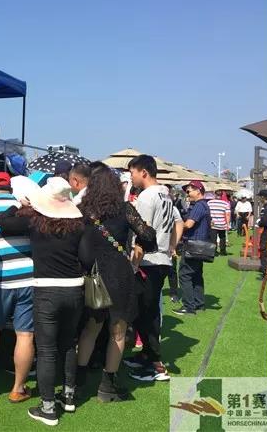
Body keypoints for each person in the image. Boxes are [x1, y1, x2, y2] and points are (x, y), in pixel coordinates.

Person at [0, 177, 85, 425]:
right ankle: (68, 396)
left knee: (46, 349)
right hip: (74, 288)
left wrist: (19, 204)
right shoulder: (79, 225)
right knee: (69, 344)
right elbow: (87, 256)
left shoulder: (35, 221)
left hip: (46, 289)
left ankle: (48, 408)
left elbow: (4, 223)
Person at [76, 167, 156, 403]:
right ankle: (107, 386)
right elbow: (148, 235)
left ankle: (77, 381)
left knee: (91, 328)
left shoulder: (82, 211)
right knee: (118, 331)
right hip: (120, 274)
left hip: (94, 274)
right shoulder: (124, 209)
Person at [124, 155, 182, 382]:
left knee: (146, 314)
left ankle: (156, 366)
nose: (131, 178)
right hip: (160, 259)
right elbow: (177, 223)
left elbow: (144, 233)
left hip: (149, 261)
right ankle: (147, 355)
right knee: (146, 312)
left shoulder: (147, 196)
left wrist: (134, 264)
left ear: (144, 172)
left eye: (132, 173)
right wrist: (171, 247)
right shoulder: (166, 194)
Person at [0, 172, 35, 404]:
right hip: (29, 276)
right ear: (10, 188)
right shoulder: (25, 207)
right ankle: (18, 388)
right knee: (25, 334)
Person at [174, 181, 211, 316]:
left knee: (185, 275)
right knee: (196, 275)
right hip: (200, 245)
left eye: (189, 191)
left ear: (198, 191)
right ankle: (198, 303)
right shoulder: (203, 205)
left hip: (193, 245)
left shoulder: (199, 205)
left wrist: (176, 225)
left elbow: (188, 224)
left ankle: (189, 306)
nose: (187, 194)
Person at [207, 191, 231, 256]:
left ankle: (214, 252)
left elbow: (207, 213)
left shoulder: (209, 203)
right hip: (222, 223)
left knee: (213, 239)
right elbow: (228, 214)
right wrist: (228, 224)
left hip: (213, 223)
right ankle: (223, 251)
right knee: (222, 238)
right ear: (221, 195)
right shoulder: (225, 204)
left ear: (215, 195)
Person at [258, 189, 267, 279]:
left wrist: (259, 223)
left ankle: (265, 273)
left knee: (264, 250)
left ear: (263, 197)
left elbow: (265, 222)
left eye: (260, 196)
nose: (259, 198)